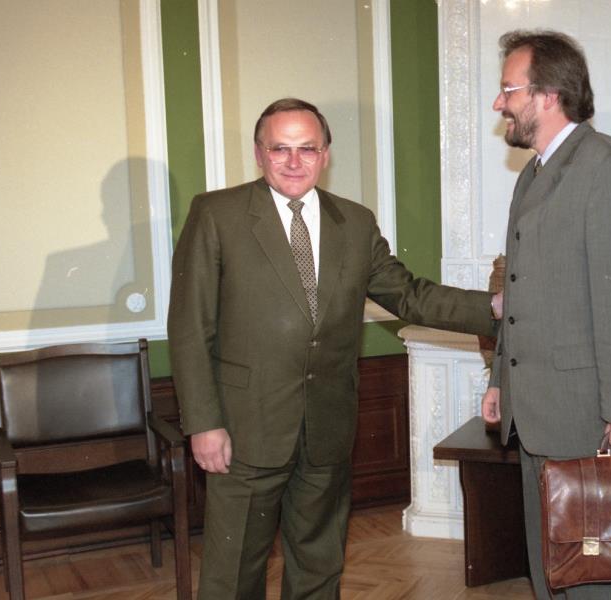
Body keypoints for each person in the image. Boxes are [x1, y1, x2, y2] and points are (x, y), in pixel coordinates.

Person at [168, 97, 500, 599]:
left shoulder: (355, 222)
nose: (294, 161)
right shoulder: (217, 214)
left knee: (319, 565)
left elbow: (409, 295)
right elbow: (190, 328)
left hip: (326, 426)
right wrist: (203, 423)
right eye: (280, 149)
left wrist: (493, 306)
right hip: (243, 427)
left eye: (307, 148)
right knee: (232, 573)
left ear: (325, 155)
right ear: (258, 153)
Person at [480, 30, 611, 600]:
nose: (499, 102)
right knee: (551, 570)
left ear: (549, 95)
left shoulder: (607, 168)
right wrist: (500, 379)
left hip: (589, 419)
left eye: (508, 89)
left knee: (598, 578)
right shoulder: (534, 173)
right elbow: (521, 291)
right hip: (535, 413)